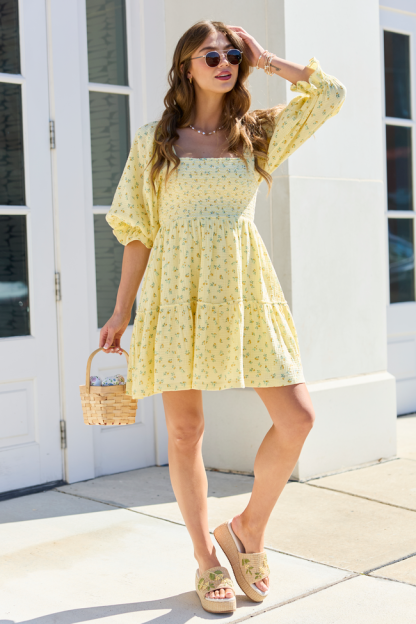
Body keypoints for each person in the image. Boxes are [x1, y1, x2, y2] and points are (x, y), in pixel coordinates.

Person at [99, 20, 346, 615]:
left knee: (297, 417)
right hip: (175, 292)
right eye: (211, 56)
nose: (225, 63)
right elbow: (138, 232)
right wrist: (120, 312)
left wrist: (269, 59)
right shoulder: (154, 140)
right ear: (186, 66)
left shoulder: (255, 133)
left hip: (244, 290)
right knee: (186, 432)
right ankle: (205, 556)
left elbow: (331, 95)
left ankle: (246, 530)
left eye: (233, 54)